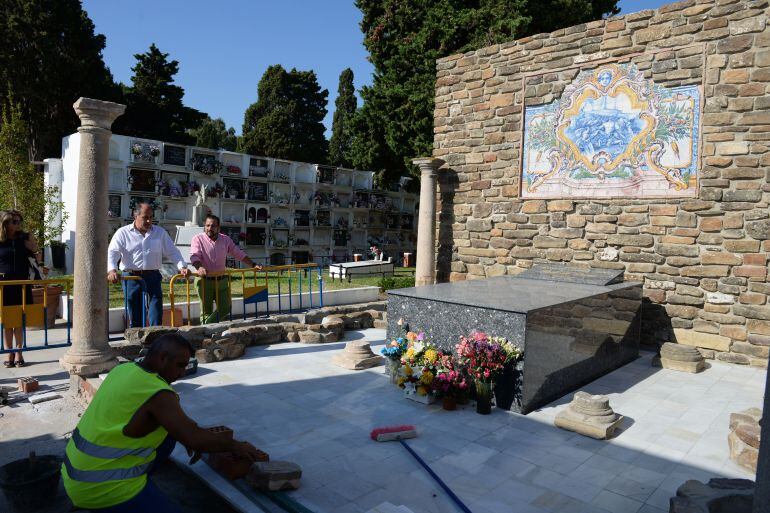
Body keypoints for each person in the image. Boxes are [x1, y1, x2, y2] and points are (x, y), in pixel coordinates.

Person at [62, 334, 261, 512]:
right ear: (162, 358)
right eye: (180, 365)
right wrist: (236, 446)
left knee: (168, 437)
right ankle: (128, 497)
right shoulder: (158, 394)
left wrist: (188, 437)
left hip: (72, 473)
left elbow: (183, 428)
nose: (183, 372)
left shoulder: (123, 370)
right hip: (101, 487)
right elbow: (196, 438)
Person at [107, 203, 189, 327]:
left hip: (153, 277)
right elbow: (113, 252)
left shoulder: (159, 232)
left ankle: (154, 340)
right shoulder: (122, 233)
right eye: (145, 217)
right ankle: (137, 342)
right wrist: (112, 270)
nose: (149, 220)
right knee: (135, 313)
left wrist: (182, 266)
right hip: (132, 278)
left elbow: (172, 251)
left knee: (156, 311)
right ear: (135, 215)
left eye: (151, 217)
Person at [189, 214, 260, 324]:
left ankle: (207, 326)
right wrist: (199, 267)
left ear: (218, 228)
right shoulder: (197, 239)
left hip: (221, 280)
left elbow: (238, 253)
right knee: (206, 311)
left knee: (225, 308)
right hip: (204, 281)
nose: (209, 228)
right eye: (207, 225)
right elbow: (194, 256)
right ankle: (207, 333)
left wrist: (253, 264)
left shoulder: (225, 239)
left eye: (213, 226)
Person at [0, 210, 45, 367]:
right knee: (7, 322)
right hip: (4, 286)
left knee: (19, 321)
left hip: (21, 285)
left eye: (20, 221)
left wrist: (33, 248)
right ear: (5, 223)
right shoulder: (0, 240)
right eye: (14, 221)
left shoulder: (24, 238)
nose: (18, 224)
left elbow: (37, 256)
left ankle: (19, 353)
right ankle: (8, 353)